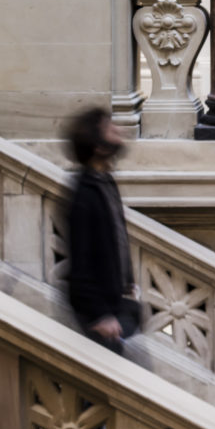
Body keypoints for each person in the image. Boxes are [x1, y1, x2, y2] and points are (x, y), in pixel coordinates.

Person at [64, 107, 140, 353]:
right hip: (101, 318)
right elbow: (81, 266)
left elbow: (115, 238)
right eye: (109, 129)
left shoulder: (105, 182)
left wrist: (126, 282)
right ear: (98, 145)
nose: (117, 132)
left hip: (115, 303)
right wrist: (101, 316)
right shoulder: (85, 194)